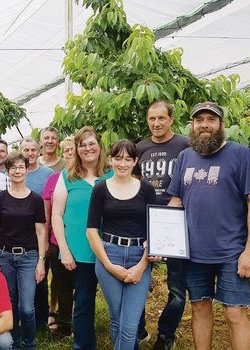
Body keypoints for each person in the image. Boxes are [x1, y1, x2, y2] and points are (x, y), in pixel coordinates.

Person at [167, 102, 250, 350]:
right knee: (199, 308)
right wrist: (162, 237)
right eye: (199, 120)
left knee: (234, 313)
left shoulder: (241, 154)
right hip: (193, 252)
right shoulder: (184, 157)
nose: (204, 125)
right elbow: (176, 201)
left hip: (232, 252)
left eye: (211, 119)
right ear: (192, 125)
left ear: (221, 124)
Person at [87, 139, 157, 350]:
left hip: (139, 257)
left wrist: (142, 265)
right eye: (118, 158)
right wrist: (109, 265)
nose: (123, 164)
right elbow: (91, 230)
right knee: (117, 319)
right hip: (110, 254)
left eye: (128, 159)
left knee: (128, 324)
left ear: (135, 161)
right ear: (110, 160)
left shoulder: (145, 189)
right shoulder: (100, 189)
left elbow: (154, 229)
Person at [52, 126, 112, 349]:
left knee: (118, 301)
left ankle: (126, 340)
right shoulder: (67, 177)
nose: (88, 148)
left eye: (92, 144)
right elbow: (57, 216)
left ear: (99, 146)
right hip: (79, 252)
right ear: (76, 149)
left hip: (110, 250)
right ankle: (84, 345)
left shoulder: (113, 174)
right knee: (84, 302)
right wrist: (65, 251)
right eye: (82, 145)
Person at [136, 101, 189, 350]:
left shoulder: (184, 144)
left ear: (171, 119)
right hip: (144, 220)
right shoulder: (140, 148)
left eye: (161, 118)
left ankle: (166, 334)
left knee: (177, 285)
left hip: (175, 221)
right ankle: (138, 328)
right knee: (137, 277)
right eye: (151, 119)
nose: (156, 124)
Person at [0, 151, 47, 350]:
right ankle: (11, 344)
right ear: (7, 171)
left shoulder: (36, 199)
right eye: (13, 167)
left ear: (27, 169)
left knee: (27, 308)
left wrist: (41, 261)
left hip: (29, 257)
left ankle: (28, 344)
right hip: (4, 256)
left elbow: (41, 232)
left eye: (21, 167)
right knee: (9, 305)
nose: (17, 171)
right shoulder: (0, 199)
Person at [19, 136, 53, 331]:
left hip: (40, 233)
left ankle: (41, 321)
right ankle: (22, 318)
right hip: (19, 233)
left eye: (33, 150)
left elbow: (50, 207)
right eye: (26, 150)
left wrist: (47, 238)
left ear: (39, 151)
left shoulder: (48, 174)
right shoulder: (15, 172)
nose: (30, 154)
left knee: (40, 277)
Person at [42, 137, 75, 336]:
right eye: (66, 151)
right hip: (57, 239)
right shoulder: (54, 179)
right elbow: (48, 213)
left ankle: (77, 318)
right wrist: (46, 239)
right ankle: (64, 323)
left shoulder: (90, 177)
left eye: (72, 150)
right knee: (62, 282)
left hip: (82, 239)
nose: (69, 154)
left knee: (80, 284)